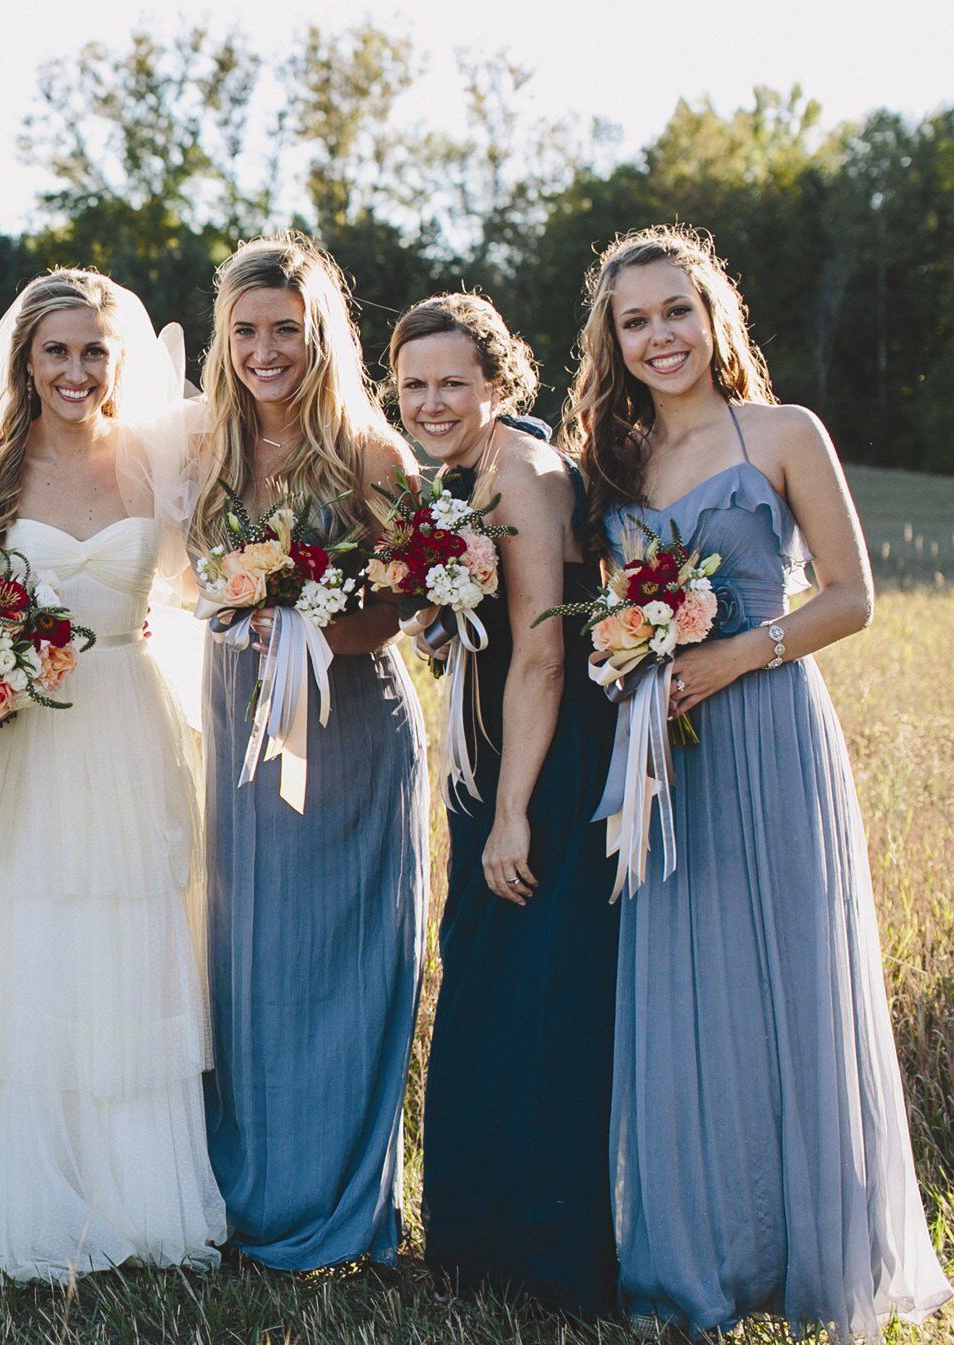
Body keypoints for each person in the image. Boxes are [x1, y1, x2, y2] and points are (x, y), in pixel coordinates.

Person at [568, 224, 951, 1337]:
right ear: (615, 339)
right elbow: (601, 609)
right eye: (635, 321)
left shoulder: (784, 432)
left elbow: (851, 595)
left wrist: (737, 652)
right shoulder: (614, 458)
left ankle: (819, 1262)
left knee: (795, 980)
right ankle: (699, 1262)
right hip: (665, 752)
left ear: (713, 313)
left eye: (675, 310)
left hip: (773, 730)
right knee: (691, 992)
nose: (659, 335)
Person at [0, 268, 226, 1283]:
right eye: (56, 351)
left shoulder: (164, 461)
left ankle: (131, 1188)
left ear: (121, 361)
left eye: (93, 351)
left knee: (120, 942)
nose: (75, 371)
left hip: (123, 721)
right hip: (15, 730)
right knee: (13, 942)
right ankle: (12, 1192)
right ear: (24, 360)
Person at [192, 234, 427, 1272]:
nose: (265, 348)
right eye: (246, 330)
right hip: (240, 717)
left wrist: (313, 625)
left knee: (343, 957)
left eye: (286, 328)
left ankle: (339, 1202)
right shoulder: (210, 450)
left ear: (322, 332)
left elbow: (425, 586)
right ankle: (252, 1187)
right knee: (250, 956)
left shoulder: (372, 454)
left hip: (349, 726)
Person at [389, 293, 620, 1315]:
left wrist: (516, 811)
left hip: (550, 757)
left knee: (534, 985)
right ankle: (477, 1241)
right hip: (501, 742)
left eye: (453, 383)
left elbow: (543, 644)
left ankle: (543, 1256)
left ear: (499, 383)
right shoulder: (464, 475)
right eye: (415, 385)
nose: (433, 401)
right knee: (489, 974)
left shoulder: (522, 472)